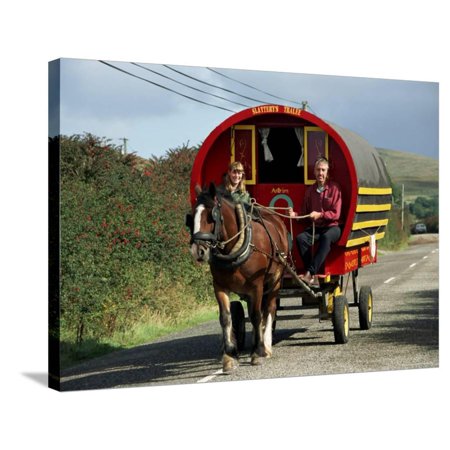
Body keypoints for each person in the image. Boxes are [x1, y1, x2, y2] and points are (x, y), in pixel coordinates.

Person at [288, 157, 342, 287]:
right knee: (301, 239)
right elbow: (305, 214)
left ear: (327, 172)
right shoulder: (310, 191)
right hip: (316, 227)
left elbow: (336, 214)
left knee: (326, 237)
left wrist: (320, 215)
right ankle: (312, 277)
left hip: (333, 227)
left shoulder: (335, 188)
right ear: (314, 172)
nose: (320, 173)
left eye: (323, 170)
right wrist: (295, 215)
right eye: (318, 170)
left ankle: (310, 273)